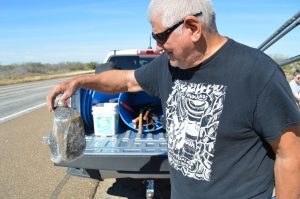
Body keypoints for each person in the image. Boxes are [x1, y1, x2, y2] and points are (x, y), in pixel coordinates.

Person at [47, 0, 300, 198]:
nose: (157, 47)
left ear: (192, 28)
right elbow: (125, 81)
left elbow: (291, 154)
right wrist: (80, 81)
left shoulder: (257, 74)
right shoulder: (167, 67)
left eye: (160, 36)